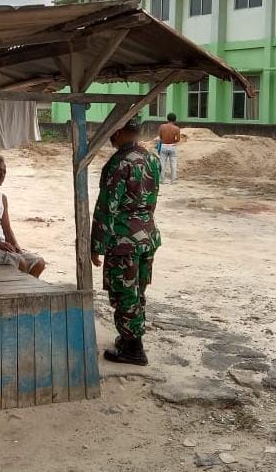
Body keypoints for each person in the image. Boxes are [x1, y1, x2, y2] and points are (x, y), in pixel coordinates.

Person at [91, 118, 162, 366]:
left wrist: (96, 245)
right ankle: (130, 337)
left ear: (119, 132)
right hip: (147, 237)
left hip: (123, 240)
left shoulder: (118, 163)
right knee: (138, 289)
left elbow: (106, 208)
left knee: (124, 293)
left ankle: (133, 349)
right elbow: (152, 200)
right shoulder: (152, 159)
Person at [157, 113, 181, 184]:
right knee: (173, 164)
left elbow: (160, 137)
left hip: (164, 146)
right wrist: (173, 141)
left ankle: (161, 180)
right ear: (175, 120)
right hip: (172, 146)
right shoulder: (176, 128)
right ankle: (173, 181)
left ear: (167, 118)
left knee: (162, 163)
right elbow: (178, 139)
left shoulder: (162, 126)